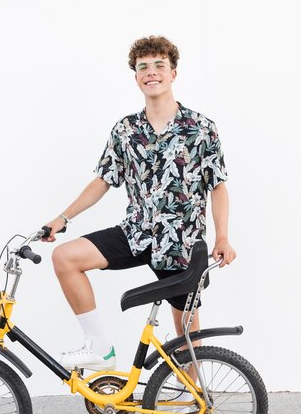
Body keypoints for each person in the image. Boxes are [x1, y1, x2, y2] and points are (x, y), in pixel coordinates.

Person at [43, 35, 236, 372]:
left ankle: (188, 404)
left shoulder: (202, 128)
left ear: (173, 73)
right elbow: (103, 180)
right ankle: (100, 347)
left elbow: (217, 187)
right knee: (65, 257)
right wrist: (62, 217)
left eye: (159, 65)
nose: (151, 72)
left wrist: (222, 237)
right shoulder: (125, 130)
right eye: (143, 67)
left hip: (182, 243)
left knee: (186, 333)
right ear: (136, 77)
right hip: (136, 234)